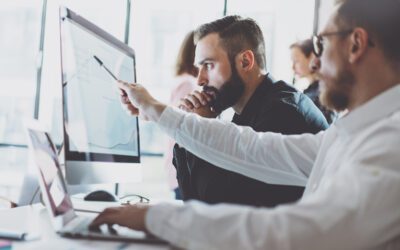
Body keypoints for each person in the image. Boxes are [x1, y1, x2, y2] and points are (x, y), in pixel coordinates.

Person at [91, 0, 400, 249]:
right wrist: (157, 110)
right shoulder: (350, 133)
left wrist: (157, 218)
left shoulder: (390, 145)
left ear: (356, 44)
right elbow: (251, 148)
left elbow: (293, 234)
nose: (314, 63)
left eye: (322, 44)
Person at [173, 16, 328, 207]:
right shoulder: (248, 112)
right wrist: (189, 131)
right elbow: (192, 202)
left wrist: (203, 128)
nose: (200, 80)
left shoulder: (283, 114)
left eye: (209, 65)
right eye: (199, 68)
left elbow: (220, 206)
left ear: (245, 62)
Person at [163, 30, 198, 199]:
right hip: (183, 166)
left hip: (176, 165)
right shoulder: (189, 84)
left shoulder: (182, 80)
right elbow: (181, 125)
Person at [290, 38, 337, 124]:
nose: (292, 67)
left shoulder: (322, 95)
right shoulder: (310, 91)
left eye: (296, 61)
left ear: (312, 57)